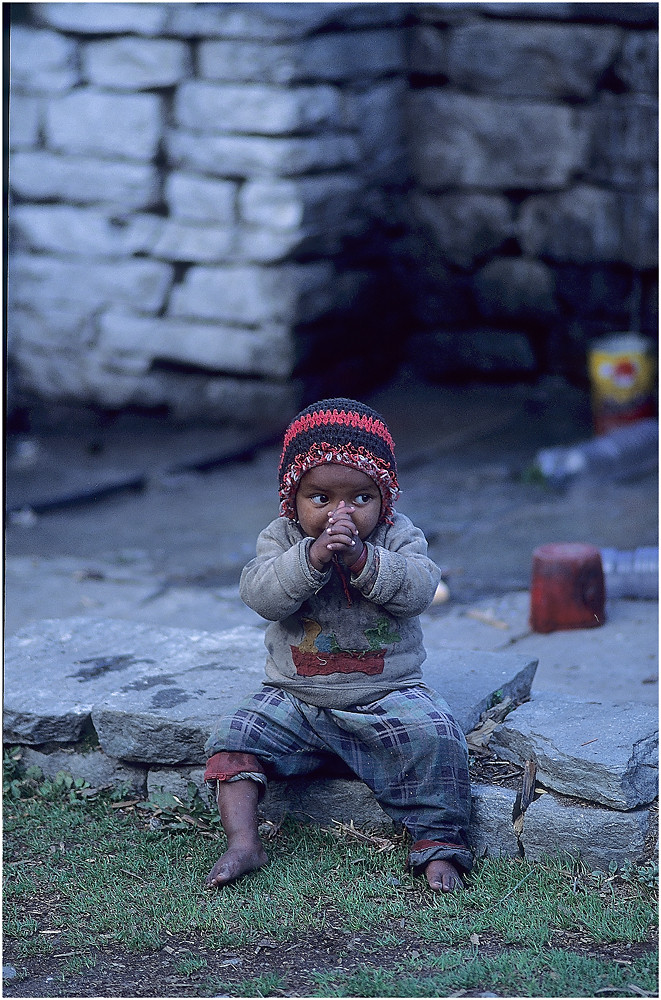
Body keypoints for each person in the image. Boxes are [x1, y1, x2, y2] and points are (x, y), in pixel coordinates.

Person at [203, 398, 473, 893]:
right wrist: (309, 559)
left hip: (386, 693)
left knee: (438, 736)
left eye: (360, 499)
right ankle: (244, 842)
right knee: (232, 736)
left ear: (384, 499)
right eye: (320, 498)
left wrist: (364, 561)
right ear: (293, 498)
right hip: (296, 696)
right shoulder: (280, 538)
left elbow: (420, 589)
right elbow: (260, 595)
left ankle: (437, 844)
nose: (339, 514)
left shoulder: (398, 536)